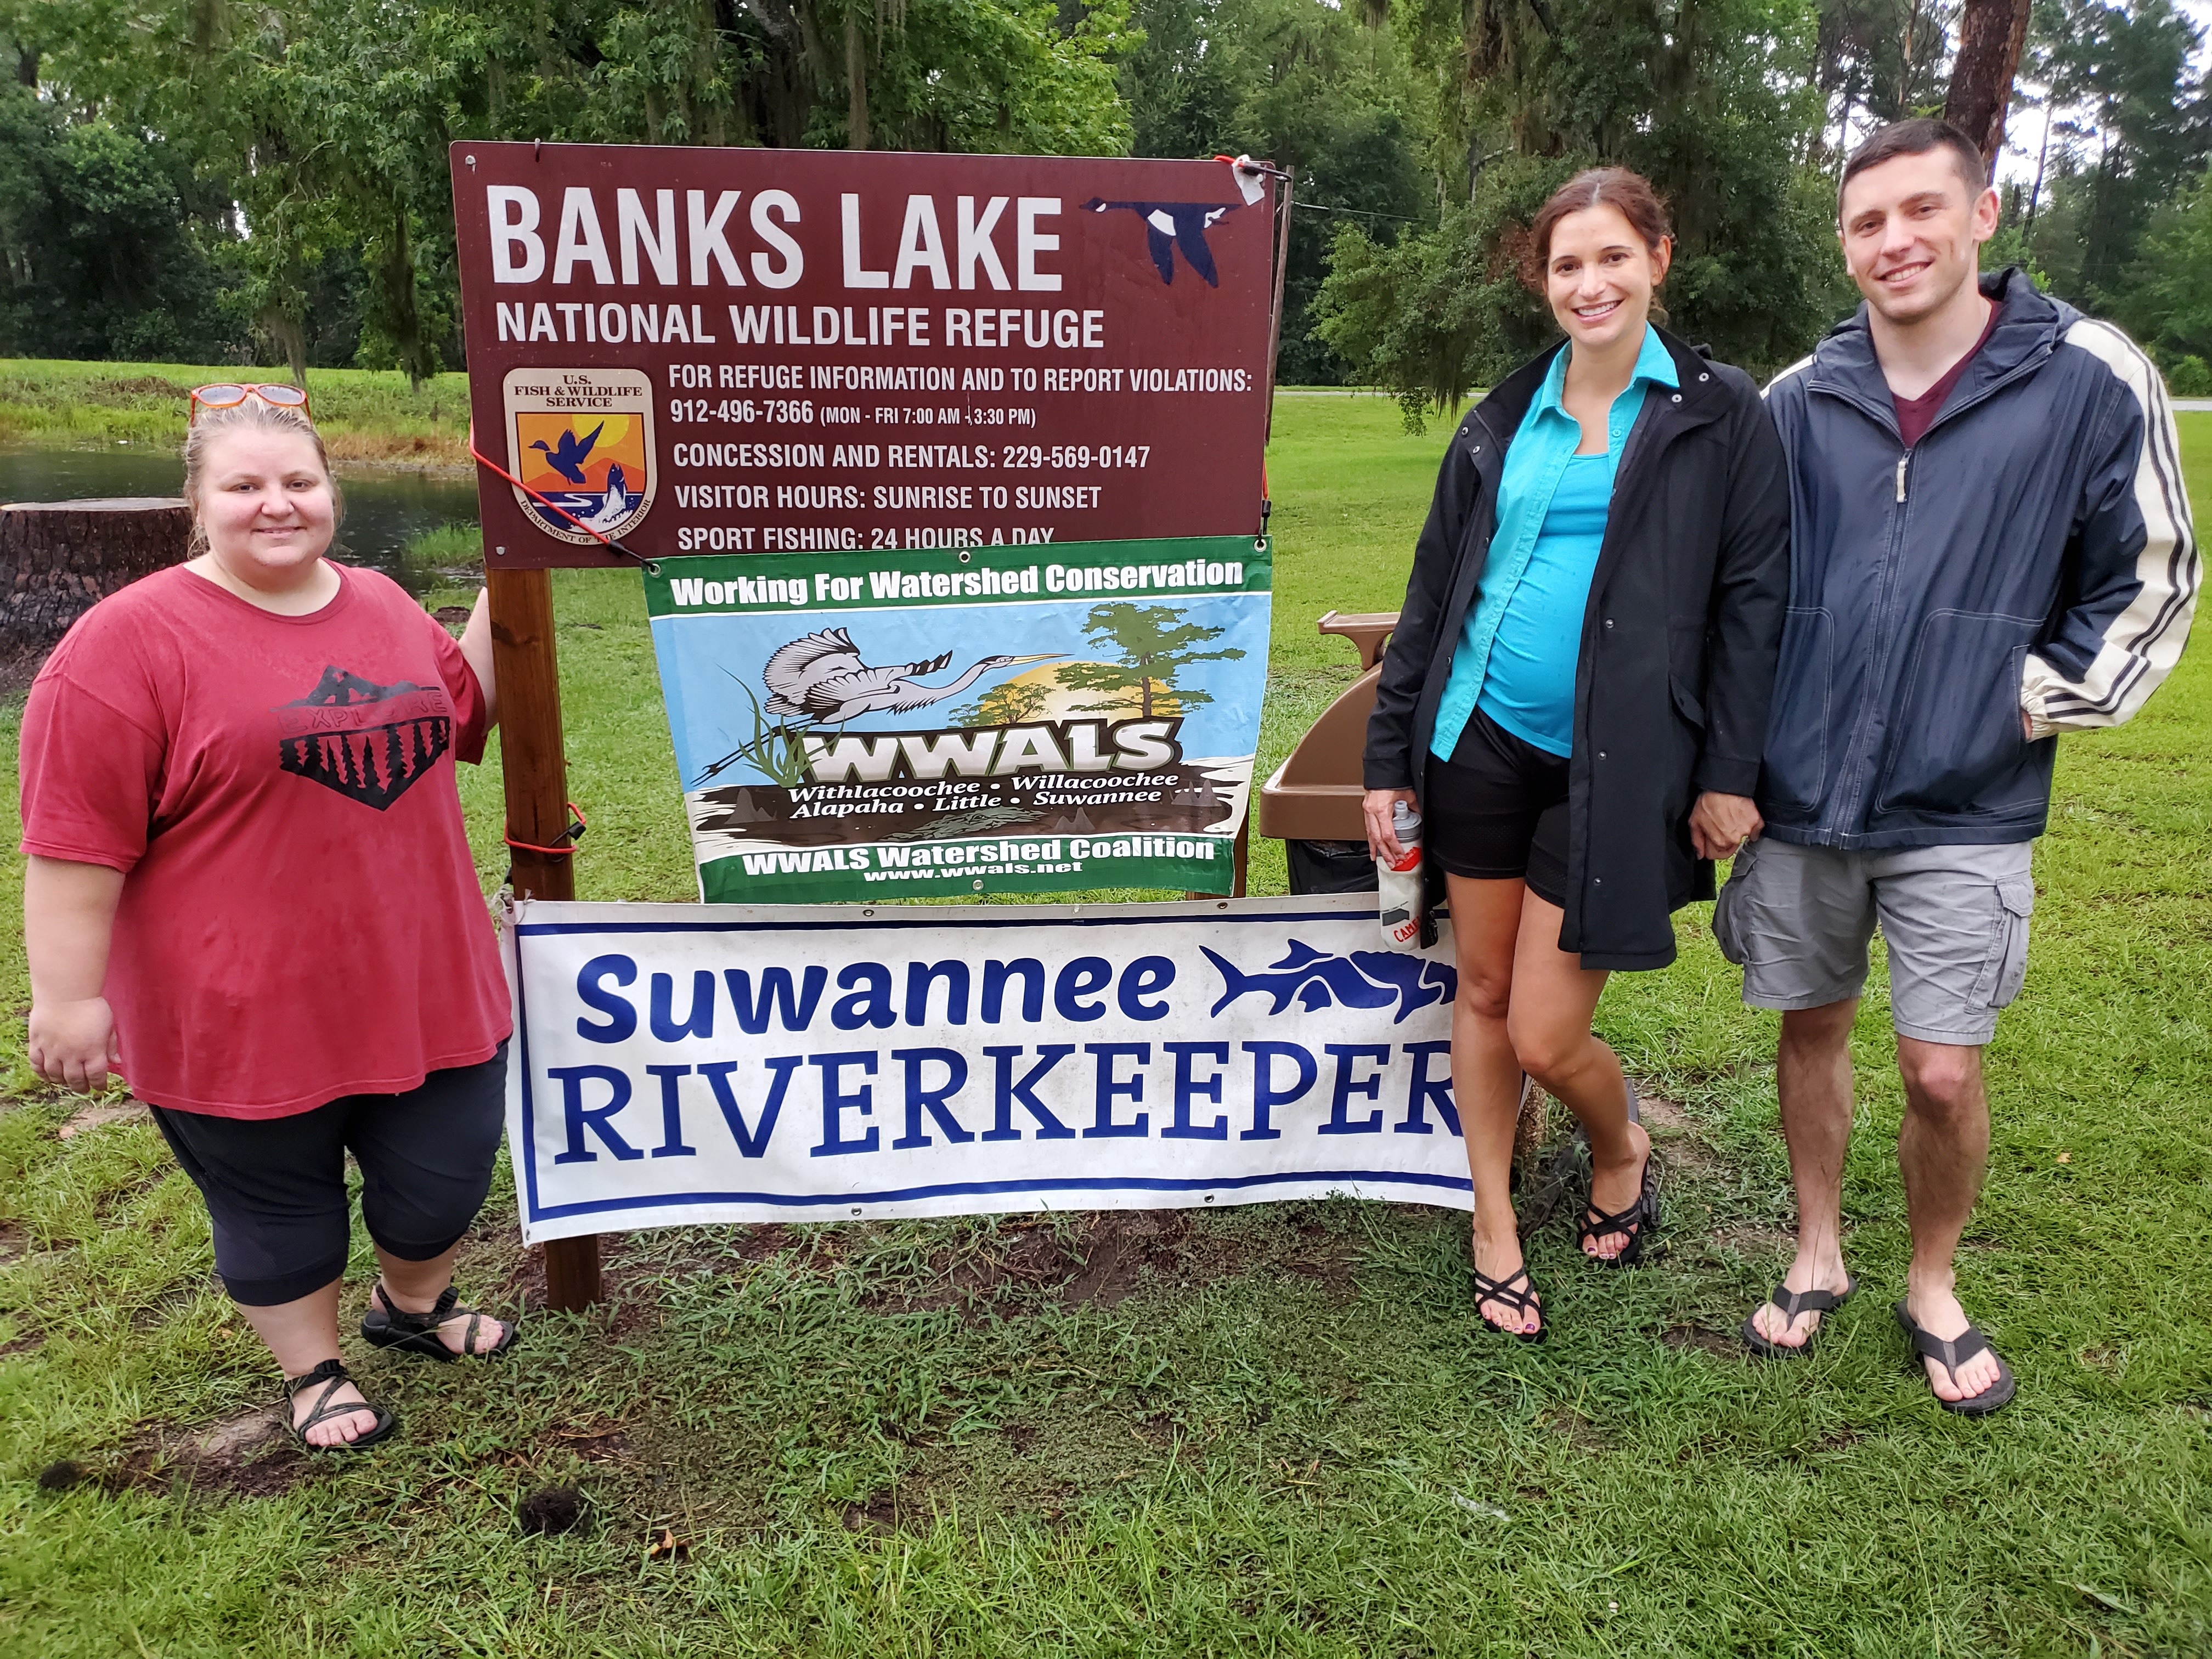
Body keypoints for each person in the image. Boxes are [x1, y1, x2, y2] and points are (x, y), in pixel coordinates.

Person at [1729, 120, 2199, 1413]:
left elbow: (2150, 570)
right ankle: (1817, 1246)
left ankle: (1932, 1279)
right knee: (1809, 1025)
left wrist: (2036, 698)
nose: (1898, 240)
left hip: (1970, 797)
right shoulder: (1798, 397)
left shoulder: (2089, 374)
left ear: (1984, 214)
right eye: (1869, 221)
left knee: (1941, 1066)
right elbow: (1742, 588)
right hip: (1806, 792)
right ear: (1845, 241)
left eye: (1923, 210)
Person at [20, 386, 520, 1451]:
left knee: (447, 1172)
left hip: (425, 975)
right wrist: (65, 1000)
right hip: (239, 1006)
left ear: (331, 490)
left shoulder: (384, 604)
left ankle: (413, 1306)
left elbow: (469, 707)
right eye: (244, 485)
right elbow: (74, 847)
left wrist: (513, 567)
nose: (277, 504)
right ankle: (314, 1367)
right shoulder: (124, 647)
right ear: (197, 502)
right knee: (279, 1209)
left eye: (299, 481)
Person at [1363, 169, 1791, 1340]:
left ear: (1659, 257)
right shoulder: (1504, 414)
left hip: (1623, 762)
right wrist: (1390, 761)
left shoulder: (1718, 414)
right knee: (1486, 992)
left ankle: (1622, 1139)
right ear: (1542, 282)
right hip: (1478, 741)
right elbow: (1435, 594)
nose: (1589, 284)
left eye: (1612, 257)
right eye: (1566, 265)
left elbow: (1756, 602)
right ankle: (1491, 1220)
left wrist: (1730, 772)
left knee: (1548, 1033)